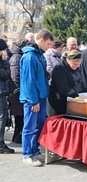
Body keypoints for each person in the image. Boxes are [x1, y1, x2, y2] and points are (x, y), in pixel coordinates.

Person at [20, 29, 54, 166]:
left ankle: (34, 150)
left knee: (39, 125)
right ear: (41, 40)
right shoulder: (30, 57)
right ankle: (26, 154)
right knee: (29, 126)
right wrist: (33, 100)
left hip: (40, 97)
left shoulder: (39, 55)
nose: (49, 47)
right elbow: (29, 81)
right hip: (32, 99)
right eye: (48, 43)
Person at [48, 50, 82, 115]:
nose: (76, 66)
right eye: (74, 64)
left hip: (71, 99)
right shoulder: (59, 68)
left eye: (78, 65)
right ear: (68, 60)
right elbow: (63, 87)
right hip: (59, 100)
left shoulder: (76, 68)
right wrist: (76, 96)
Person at [8, 39, 28, 144]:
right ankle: (17, 136)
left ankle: (17, 136)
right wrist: (21, 89)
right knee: (19, 116)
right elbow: (16, 77)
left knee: (20, 116)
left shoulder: (16, 56)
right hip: (18, 93)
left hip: (17, 92)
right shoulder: (17, 57)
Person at [0, 39, 14, 153]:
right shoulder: (2, 62)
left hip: (2, 92)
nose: (6, 52)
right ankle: (0, 144)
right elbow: (6, 75)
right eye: (4, 49)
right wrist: (5, 62)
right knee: (1, 118)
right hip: (0, 93)